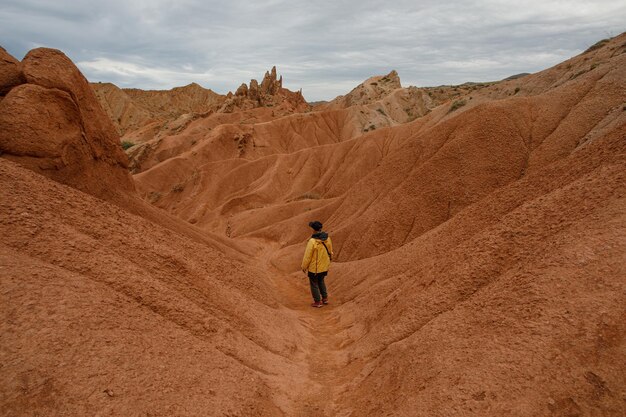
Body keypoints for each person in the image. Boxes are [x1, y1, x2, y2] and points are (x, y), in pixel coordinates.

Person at [301, 220, 333, 308]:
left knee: (314, 283)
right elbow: (330, 251)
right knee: (321, 281)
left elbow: (307, 256)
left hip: (314, 268)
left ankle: (318, 302)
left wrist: (304, 267)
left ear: (313, 230)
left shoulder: (312, 241)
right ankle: (325, 298)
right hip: (324, 266)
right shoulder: (327, 238)